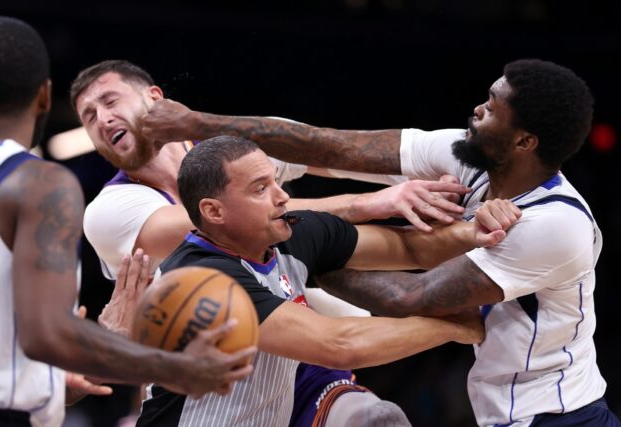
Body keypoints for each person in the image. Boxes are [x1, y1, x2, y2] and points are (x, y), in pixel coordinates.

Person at [139, 59, 620, 426]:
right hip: (505, 399)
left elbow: (413, 284)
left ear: (524, 142)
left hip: (557, 407)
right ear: (213, 212)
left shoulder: (556, 223)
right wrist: (195, 123)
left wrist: (300, 255)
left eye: (493, 107)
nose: (477, 108)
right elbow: (328, 145)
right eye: (261, 188)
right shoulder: (464, 155)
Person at [69, 59, 517, 426]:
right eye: (89, 117)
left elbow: (334, 153)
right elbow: (338, 339)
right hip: (210, 381)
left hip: (295, 362)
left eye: (109, 101)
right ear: (213, 211)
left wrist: (482, 216)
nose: (102, 118)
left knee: (377, 421)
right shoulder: (113, 212)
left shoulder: (246, 167)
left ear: (154, 98)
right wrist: (372, 203)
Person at [0, 16, 256, 427]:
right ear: (44, 96)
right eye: (91, 112)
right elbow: (47, 335)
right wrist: (176, 366)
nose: (103, 119)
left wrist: (69, 375)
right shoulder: (36, 181)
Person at [136, 135, 515, 426]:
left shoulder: (288, 233)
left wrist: (476, 229)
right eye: (260, 189)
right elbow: (338, 345)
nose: (282, 197)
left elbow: (412, 249)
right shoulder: (201, 276)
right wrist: (450, 327)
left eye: (275, 182)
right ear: (213, 211)